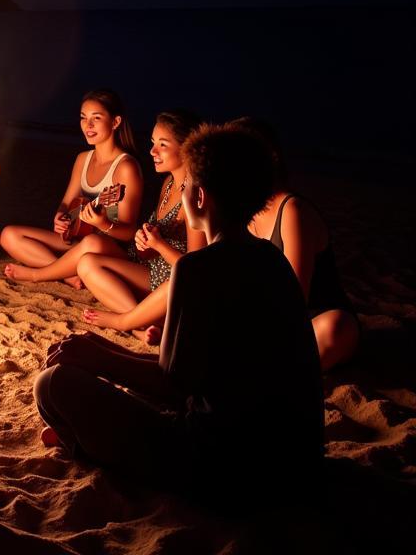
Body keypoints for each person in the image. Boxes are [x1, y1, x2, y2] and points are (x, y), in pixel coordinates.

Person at [34, 122, 324, 500]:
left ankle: (87, 449)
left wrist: (99, 359)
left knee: (52, 383)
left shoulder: (196, 268)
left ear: (199, 197)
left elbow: (173, 380)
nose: (182, 191)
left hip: (225, 472)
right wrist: (102, 352)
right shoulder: (274, 261)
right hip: (295, 463)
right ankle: (90, 439)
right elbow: (203, 377)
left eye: (185, 186)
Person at [239, 118, 360, 370]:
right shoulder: (243, 212)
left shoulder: (292, 209)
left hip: (311, 321)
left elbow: (294, 298)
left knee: (335, 327)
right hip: (268, 323)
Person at [80, 110, 205, 343]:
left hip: (174, 284)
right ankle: (142, 322)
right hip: (153, 271)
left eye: (162, 145)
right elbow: (149, 252)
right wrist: (145, 242)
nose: (152, 151)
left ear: (187, 148)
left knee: (93, 257)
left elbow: (193, 270)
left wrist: (158, 244)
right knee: (87, 263)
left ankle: (126, 321)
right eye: (152, 143)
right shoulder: (168, 184)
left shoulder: (194, 196)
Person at [1, 89, 142, 288]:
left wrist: (102, 224)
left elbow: (129, 233)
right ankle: (67, 274)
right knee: (9, 235)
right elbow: (67, 203)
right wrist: (59, 217)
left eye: (97, 118)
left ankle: (37, 275)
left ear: (115, 122)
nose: (88, 125)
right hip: (79, 238)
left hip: (110, 249)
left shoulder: (126, 167)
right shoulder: (82, 159)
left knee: (92, 242)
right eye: (84, 118)